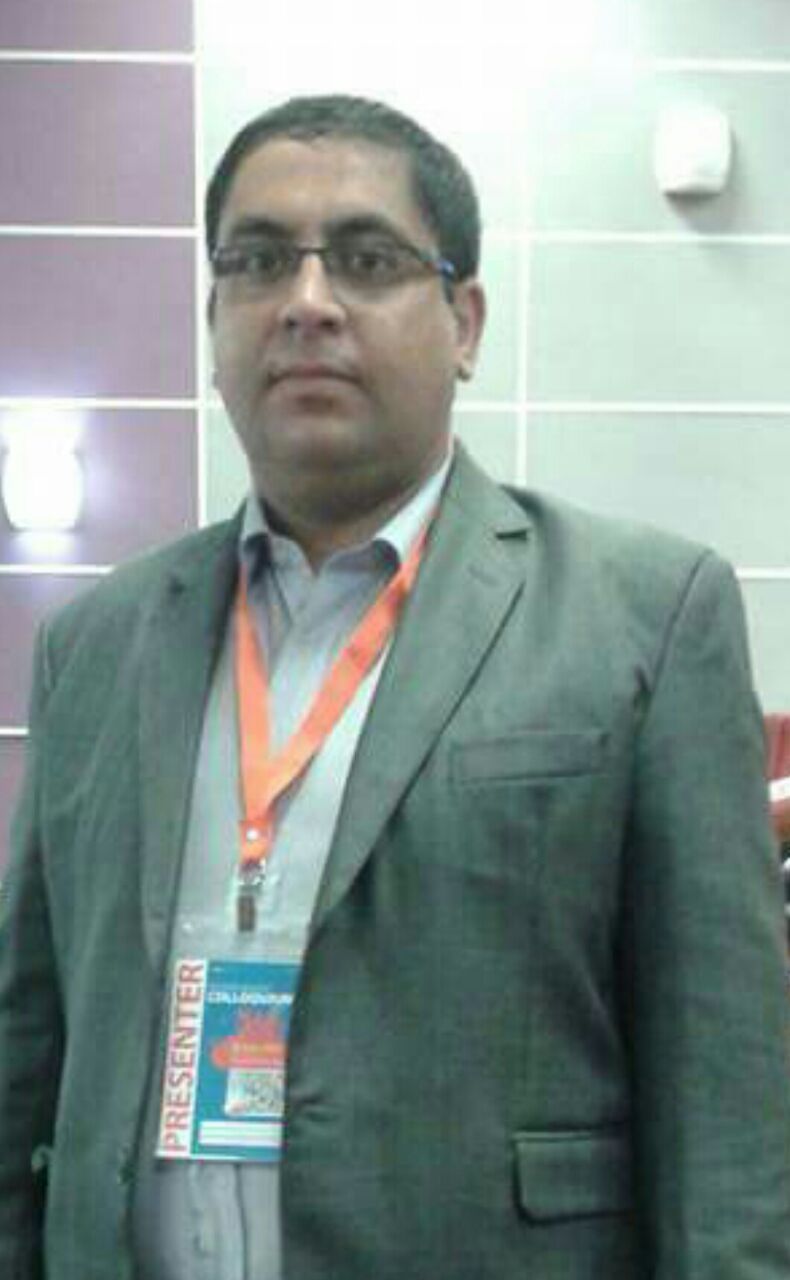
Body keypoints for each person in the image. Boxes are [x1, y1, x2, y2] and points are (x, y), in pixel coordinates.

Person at [0, 94, 788, 1280]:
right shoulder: (97, 646)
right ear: (214, 318)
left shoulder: (643, 617)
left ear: (463, 322)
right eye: (259, 260)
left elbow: (724, 1102)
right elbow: (27, 1047)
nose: (307, 300)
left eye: (367, 260)